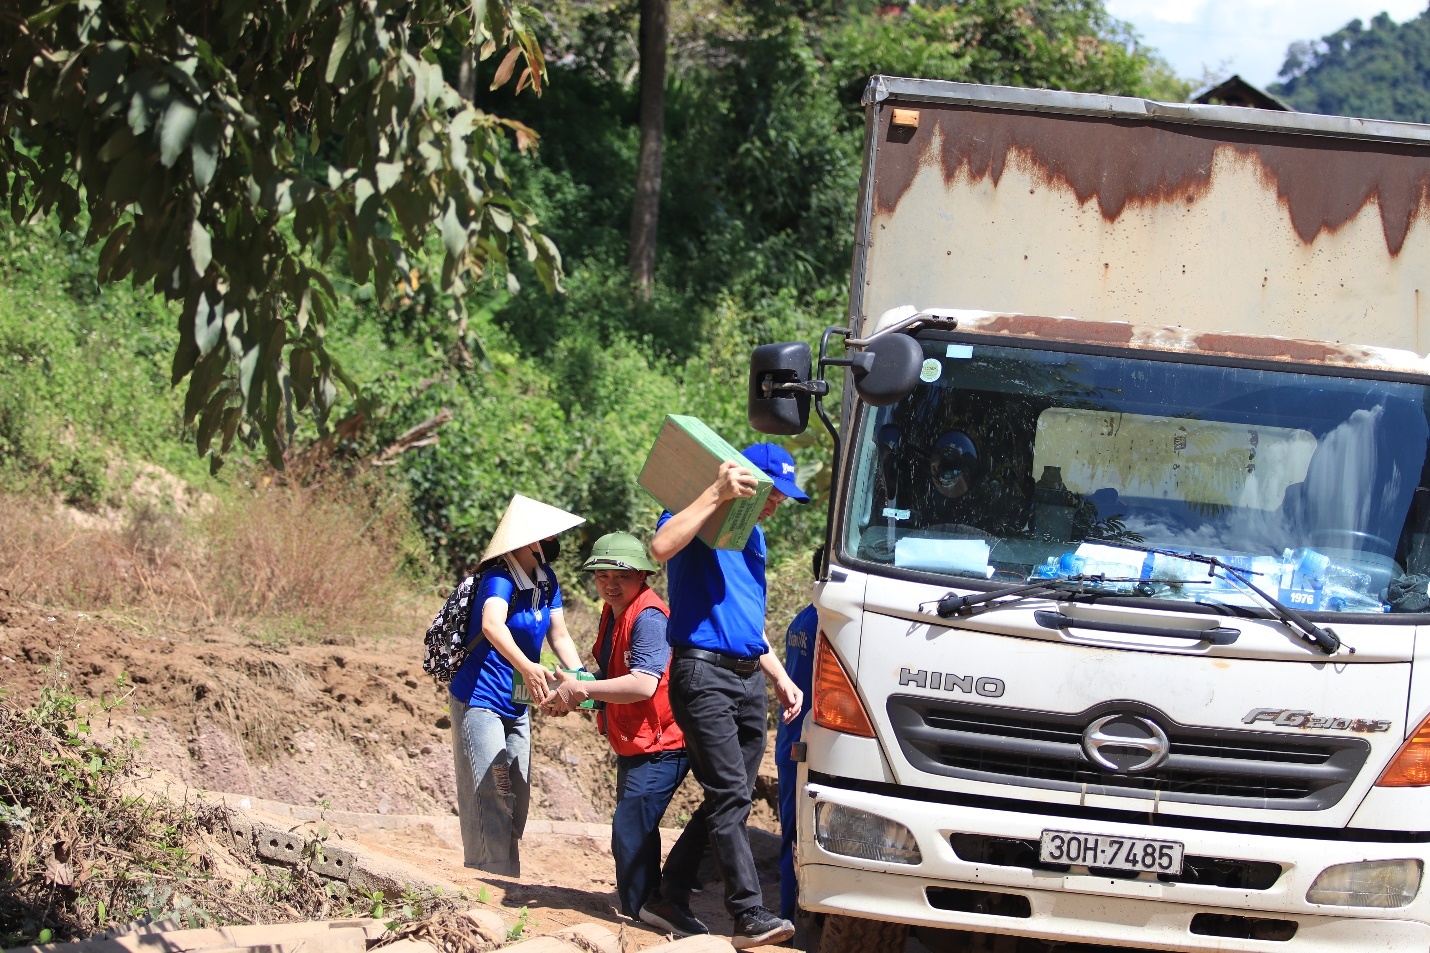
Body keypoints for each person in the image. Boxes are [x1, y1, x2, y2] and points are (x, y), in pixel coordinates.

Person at [641, 443, 807, 950]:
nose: (778, 504)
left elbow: (745, 619)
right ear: (748, 483)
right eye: (774, 493)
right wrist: (715, 491)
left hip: (747, 679)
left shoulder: (752, 536)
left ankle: (668, 893)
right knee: (731, 792)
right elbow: (659, 547)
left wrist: (776, 673)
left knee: (727, 792)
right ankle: (748, 913)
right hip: (702, 672)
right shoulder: (700, 512)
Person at [546, 533, 694, 922]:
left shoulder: (648, 617)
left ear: (643, 575)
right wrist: (573, 694)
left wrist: (582, 688)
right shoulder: (613, 612)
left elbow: (643, 683)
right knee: (636, 829)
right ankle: (649, 906)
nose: (611, 584)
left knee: (630, 827)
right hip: (634, 740)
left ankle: (651, 908)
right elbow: (612, 676)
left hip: (663, 743)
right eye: (602, 576)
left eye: (622, 576)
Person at [448, 493, 586, 876]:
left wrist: (579, 678)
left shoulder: (546, 579)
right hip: (481, 696)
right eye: (547, 534)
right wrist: (527, 665)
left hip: (518, 700)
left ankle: (506, 870)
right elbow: (492, 626)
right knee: (491, 786)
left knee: (517, 790)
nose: (554, 541)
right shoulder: (500, 578)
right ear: (528, 539)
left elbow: (559, 635)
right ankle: (486, 873)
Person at [774, 549, 819, 924]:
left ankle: (787, 914)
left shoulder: (803, 616)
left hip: (790, 739)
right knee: (798, 837)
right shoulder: (828, 622)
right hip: (805, 742)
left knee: (791, 830)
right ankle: (789, 921)